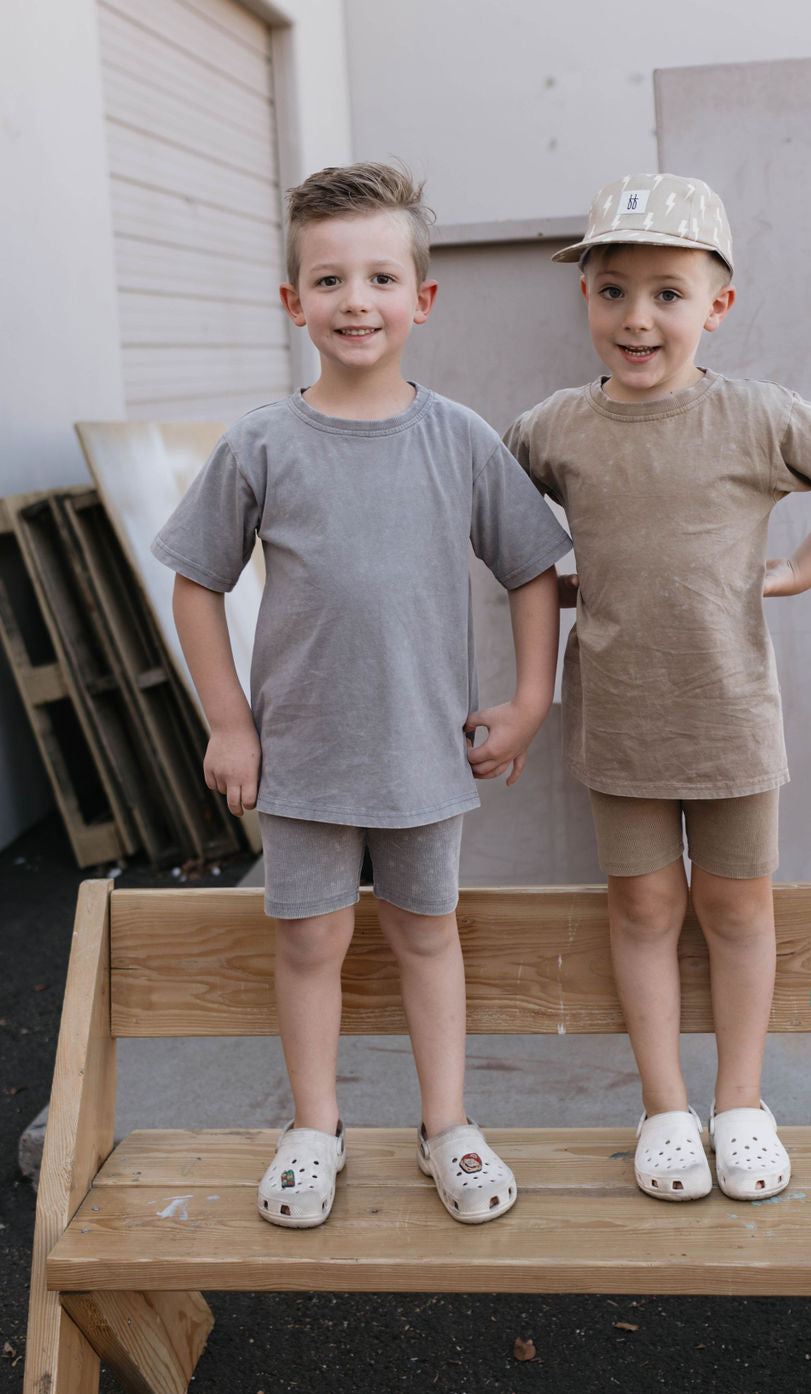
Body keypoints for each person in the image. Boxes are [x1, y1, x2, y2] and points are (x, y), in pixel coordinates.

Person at [153, 162, 569, 1229]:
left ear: (420, 298)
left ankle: (447, 1127)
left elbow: (533, 566)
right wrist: (230, 721)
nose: (355, 300)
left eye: (380, 276)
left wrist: (528, 700)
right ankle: (315, 1125)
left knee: (429, 934)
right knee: (309, 942)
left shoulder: (461, 439)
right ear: (293, 301)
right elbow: (195, 580)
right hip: (301, 757)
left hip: (426, 752)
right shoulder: (262, 442)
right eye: (328, 279)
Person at [504, 172, 811, 1203]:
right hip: (622, 723)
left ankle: (740, 1101)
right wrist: (551, 585)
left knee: (734, 905)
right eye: (612, 290)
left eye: (667, 292)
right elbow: (494, 518)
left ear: (715, 304)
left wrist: (805, 566)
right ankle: (665, 1107)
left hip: (730, 718)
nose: (638, 317)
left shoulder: (758, 417)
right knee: (642, 905)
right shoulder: (552, 429)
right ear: (584, 299)